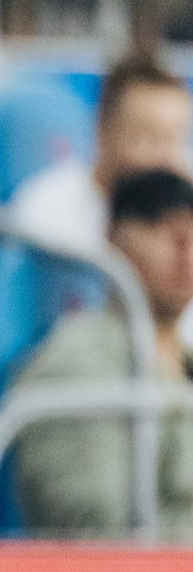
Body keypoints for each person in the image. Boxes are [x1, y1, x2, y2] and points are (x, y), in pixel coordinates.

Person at [13, 167, 193, 537]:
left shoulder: (184, 359)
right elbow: (99, 535)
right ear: (114, 239)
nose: (185, 249)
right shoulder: (76, 362)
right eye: (161, 227)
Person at [10, 51, 193, 255]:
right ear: (103, 129)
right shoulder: (45, 213)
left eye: (175, 139)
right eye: (148, 138)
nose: (166, 158)